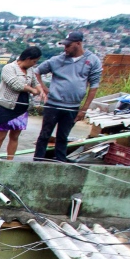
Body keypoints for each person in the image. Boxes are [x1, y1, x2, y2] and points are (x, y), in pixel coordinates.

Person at [33, 31, 102, 162]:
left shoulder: (92, 61)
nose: (65, 49)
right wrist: (44, 89)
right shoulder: (57, 60)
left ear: (78, 44)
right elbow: (37, 72)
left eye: (68, 46)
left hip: (72, 106)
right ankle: (38, 159)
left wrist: (84, 108)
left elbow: (94, 85)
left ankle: (60, 159)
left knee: (63, 135)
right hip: (53, 104)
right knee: (45, 134)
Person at [0, 47, 44, 161]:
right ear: (28, 58)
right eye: (34, 61)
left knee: (14, 137)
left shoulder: (30, 70)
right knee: (0, 136)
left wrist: (40, 90)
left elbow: (35, 82)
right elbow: (15, 84)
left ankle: (10, 161)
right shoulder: (9, 68)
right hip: (6, 107)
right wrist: (32, 90)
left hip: (21, 108)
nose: (34, 64)